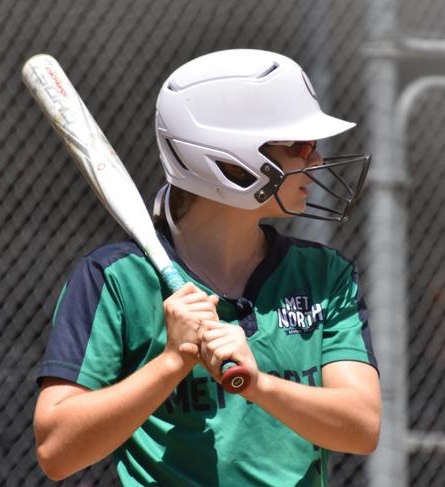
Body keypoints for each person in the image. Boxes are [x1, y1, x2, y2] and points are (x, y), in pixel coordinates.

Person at [34, 49, 381, 486]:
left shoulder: (324, 277)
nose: (315, 161)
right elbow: (56, 451)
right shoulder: (117, 280)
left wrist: (260, 385)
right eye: (299, 146)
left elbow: (361, 426)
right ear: (232, 160)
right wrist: (171, 362)